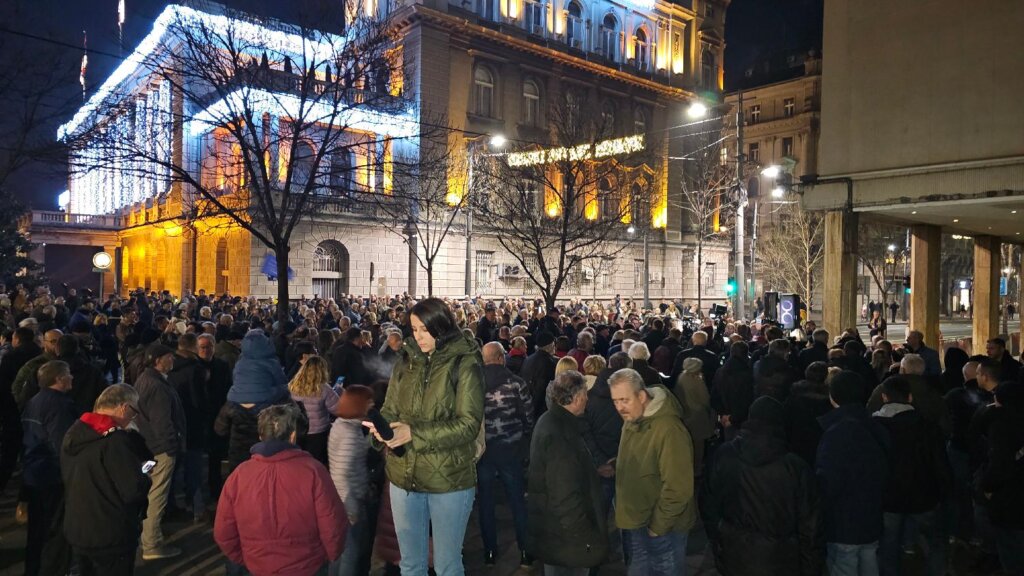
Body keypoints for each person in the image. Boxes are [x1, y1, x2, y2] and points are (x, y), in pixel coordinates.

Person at [363, 297, 484, 576]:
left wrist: (412, 433)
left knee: (447, 566)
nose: (418, 337)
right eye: (414, 329)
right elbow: (390, 408)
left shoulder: (465, 363)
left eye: (424, 330)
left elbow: (468, 425)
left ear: (441, 327)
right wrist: (382, 433)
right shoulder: (405, 361)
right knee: (410, 564)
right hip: (404, 475)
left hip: (449, 479)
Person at [215, 404, 348, 576]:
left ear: (261, 435)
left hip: (256, 566)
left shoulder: (240, 475)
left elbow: (223, 531)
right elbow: (333, 526)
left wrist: (245, 559)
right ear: (292, 436)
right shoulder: (314, 471)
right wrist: (327, 557)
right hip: (307, 566)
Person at [700, 396, 823, 576]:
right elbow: (810, 526)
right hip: (781, 560)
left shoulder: (724, 455)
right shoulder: (795, 468)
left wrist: (719, 539)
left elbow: (708, 504)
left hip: (734, 554)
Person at [61, 384, 153, 575]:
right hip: (111, 533)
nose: (132, 419)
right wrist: (144, 475)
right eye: (134, 412)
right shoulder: (115, 441)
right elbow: (133, 490)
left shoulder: (75, 431)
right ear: (123, 407)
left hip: (78, 528)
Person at [611, 369, 696, 576]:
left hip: (663, 528)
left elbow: (678, 488)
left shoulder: (669, 429)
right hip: (637, 520)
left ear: (641, 396)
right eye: (615, 401)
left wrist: (657, 527)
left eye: (624, 399)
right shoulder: (633, 417)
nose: (620, 407)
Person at [528, 370, 609, 576]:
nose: (588, 398)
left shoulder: (550, 420)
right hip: (567, 539)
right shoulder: (560, 434)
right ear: (576, 398)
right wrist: (585, 538)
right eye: (585, 394)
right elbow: (565, 494)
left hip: (554, 533)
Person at [871, 376, 950, 576]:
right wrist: (945, 491)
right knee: (935, 542)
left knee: (888, 544)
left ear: (884, 397)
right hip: (925, 495)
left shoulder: (874, 426)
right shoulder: (927, 426)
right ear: (910, 397)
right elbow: (940, 464)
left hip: (887, 498)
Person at [816, 370, 889, 576]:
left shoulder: (836, 432)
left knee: (844, 564)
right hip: (872, 514)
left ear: (832, 396)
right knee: (869, 560)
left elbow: (828, 482)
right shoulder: (875, 426)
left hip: (843, 521)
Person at [476, 342, 534, 567]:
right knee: (517, 501)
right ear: (501, 358)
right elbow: (528, 416)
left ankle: (490, 551)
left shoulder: (475, 384)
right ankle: (525, 551)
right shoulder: (516, 383)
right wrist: (524, 439)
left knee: (486, 503)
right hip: (510, 448)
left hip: (484, 451)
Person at [22, 360, 79, 576]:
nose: (72, 377)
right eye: (68, 374)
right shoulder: (60, 406)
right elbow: (64, 444)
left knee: (37, 531)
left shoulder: (34, 401)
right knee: (55, 531)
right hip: (53, 476)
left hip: (35, 473)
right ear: (59, 379)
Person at [215, 330, 300, 474]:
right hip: (266, 444)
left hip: (239, 445)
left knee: (241, 477)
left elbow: (220, 429)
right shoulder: (272, 363)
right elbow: (282, 383)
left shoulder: (240, 363)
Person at [134, 342, 186, 561]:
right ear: (157, 361)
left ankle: (147, 535)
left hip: (149, 447)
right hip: (160, 449)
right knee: (157, 494)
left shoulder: (146, 380)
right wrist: (171, 447)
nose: (172, 360)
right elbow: (162, 422)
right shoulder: (157, 387)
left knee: (150, 491)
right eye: (168, 357)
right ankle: (152, 543)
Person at [974, 380, 1024, 574]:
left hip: (1009, 496)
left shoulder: (1002, 424)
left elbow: (999, 463)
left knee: (1011, 547)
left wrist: (987, 487)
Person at [328, 385, 376, 576]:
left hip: (341, 500)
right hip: (348, 503)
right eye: (369, 401)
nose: (372, 404)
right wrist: (352, 508)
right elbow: (343, 472)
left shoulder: (341, 424)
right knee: (350, 553)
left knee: (340, 552)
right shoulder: (349, 433)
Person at [288, 355, 340, 465]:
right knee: (317, 463)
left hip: (297, 430)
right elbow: (338, 409)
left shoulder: (292, 386)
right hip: (319, 433)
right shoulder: (324, 389)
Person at [673, 357, 715, 473]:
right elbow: (705, 399)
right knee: (698, 446)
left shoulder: (681, 377)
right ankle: (696, 470)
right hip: (698, 417)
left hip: (685, 416)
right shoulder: (697, 380)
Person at [520, 332, 558, 420]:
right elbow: (542, 388)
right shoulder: (549, 363)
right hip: (540, 409)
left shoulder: (528, 359)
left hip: (527, 403)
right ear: (551, 345)